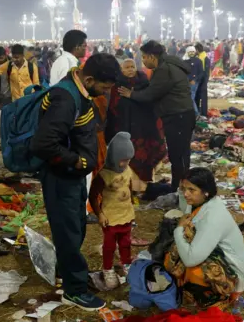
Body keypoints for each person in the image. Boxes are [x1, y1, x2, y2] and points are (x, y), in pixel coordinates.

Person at [31, 53, 120, 311]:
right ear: (89, 78)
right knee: (69, 231)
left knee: (76, 226)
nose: (104, 93)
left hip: (72, 176)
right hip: (61, 177)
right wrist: (78, 162)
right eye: (103, 87)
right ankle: (75, 290)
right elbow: (44, 143)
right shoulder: (65, 98)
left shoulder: (78, 90)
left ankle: (65, 269)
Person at [164, 168, 244, 309]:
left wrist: (178, 229)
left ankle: (220, 297)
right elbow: (186, 208)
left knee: (193, 270)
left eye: (191, 190)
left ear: (205, 191)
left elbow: (190, 260)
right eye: (183, 189)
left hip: (232, 272)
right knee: (174, 251)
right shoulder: (201, 202)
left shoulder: (212, 217)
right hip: (213, 255)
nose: (185, 194)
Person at [118, 40, 194, 192]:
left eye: (144, 57)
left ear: (152, 57)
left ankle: (178, 189)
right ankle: (181, 186)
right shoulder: (170, 64)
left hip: (177, 116)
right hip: (182, 115)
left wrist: (130, 94)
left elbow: (150, 95)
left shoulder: (164, 69)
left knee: (177, 155)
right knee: (182, 154)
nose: (143, 61)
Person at [106, 59, 166, 188]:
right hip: (124, 128)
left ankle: (142, 188)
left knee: (145, 157)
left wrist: (133, 96)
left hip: (144, 129)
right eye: (126, 67)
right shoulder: (116, 86)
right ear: (121, 70)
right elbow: (113, 109)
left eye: (132, 66)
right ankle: (129, 187)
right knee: (128, 157)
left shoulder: (144, 83)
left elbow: (150, 101)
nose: (130, 69)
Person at [88, 132, 135, 290]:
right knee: (109, 245)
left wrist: (131, 203)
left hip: (125, 215)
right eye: (123, 160)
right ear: (114, 157)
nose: (125, 163)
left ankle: (126, 264)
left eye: (128, 160)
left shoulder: (127, 169)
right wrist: (99, 214)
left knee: (126, 242)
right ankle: (107, 268)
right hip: (111, 217)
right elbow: (93, 196)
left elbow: (129, 186)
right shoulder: (104, 175)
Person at [184, 46, 204, 115]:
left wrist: (195, 80)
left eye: (193, 51)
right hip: (186, 82)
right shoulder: (184, 61)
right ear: (187, 52)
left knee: (191, 97)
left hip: (194, 83)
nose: (192, 53)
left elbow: (201, 72)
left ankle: (196, 113)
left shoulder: (198, 61)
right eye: (190, 52)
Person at [195, 43, 211, 117]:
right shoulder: (204, 56)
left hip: (202, 79)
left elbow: (202, 70)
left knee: (200, 96)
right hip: (204, 78)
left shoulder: (202, 58)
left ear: (197, 50)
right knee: (202, 96)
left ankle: (201, 112)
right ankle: (202, 112)